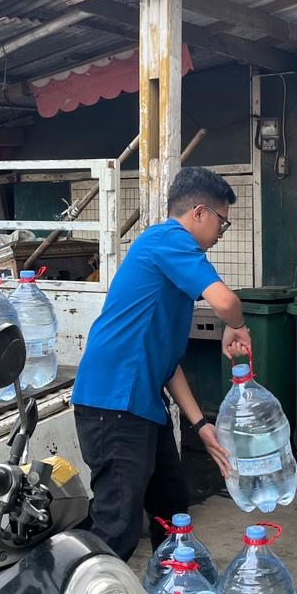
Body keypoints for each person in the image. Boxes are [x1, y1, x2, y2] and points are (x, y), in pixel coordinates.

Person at [71, 166, 252, 560]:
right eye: (222, 223)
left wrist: (200, 425)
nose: (221, 235)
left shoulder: (169, 263)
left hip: (140, 404)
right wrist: (238, 327)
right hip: (113, 403)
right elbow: (226, 303)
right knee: (117, 529)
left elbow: (168, 365)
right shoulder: (169, 240)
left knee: (172, 514)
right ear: (200, 212)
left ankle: (174, 589)